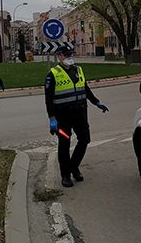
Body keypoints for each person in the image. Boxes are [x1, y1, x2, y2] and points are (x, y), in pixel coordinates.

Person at [45, 42, 109, 188]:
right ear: (59, 56)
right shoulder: (52, 74)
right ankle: (65, 175)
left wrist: (96, 102)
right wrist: (52, 118)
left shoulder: (78, 70)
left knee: (84, 139)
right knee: (64, 143)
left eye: (70, 55)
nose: (69, 57)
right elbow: (48, 99)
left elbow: (85, 88)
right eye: (66, 55)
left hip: (80, 113)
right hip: (63, 116)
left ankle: (74, 166)